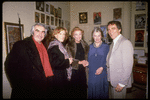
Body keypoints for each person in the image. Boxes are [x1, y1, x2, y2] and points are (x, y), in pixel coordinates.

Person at [4, 23, 54, 98]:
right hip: (26, 89)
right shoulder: (21, 45)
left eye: (43, 32)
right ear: (32, 32)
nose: (40, 34)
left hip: (42, 87)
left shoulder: (44, 46)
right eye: (37, 31)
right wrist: (17, 85)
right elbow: (9, 66)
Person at [106, 21, 134, 99]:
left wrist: (122, 83)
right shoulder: (113, 43)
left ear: (119, 30)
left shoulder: (125, 43)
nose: (110, 31)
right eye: (108, 29)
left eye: (113, 28)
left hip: (120, 81)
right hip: (113, 80)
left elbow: (128, 66)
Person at [47, 27, 73, 98]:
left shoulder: (60, 45)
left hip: (61, 75)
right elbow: (53, 63)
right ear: (55, 35)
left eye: (64, 34)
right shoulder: (54, 46)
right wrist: (68, 61)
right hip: (57, 77)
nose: (63, 36)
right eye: (60, 34)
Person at [66, 27, 89, 98]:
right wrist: (80, 62)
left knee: (83, 91)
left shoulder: (85, 44)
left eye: (80, 34)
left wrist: (86, 62)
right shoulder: (69, 46)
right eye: (76, 34)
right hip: (74, 71)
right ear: (73, 36)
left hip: (83, 71)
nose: (78, 36)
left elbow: (87, 57)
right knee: (75, 91)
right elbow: (68, 60)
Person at [87, 27, 109, 99]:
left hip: (102, 74)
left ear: (102, 36)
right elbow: (86, 60)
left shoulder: (106, 47)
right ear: (92, 37)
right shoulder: (89, 47)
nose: (97, 38)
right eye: (95, 35)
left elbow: (109, 60)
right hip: (92, 74)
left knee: (101, 93)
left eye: (99, 35)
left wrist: (102, 67)